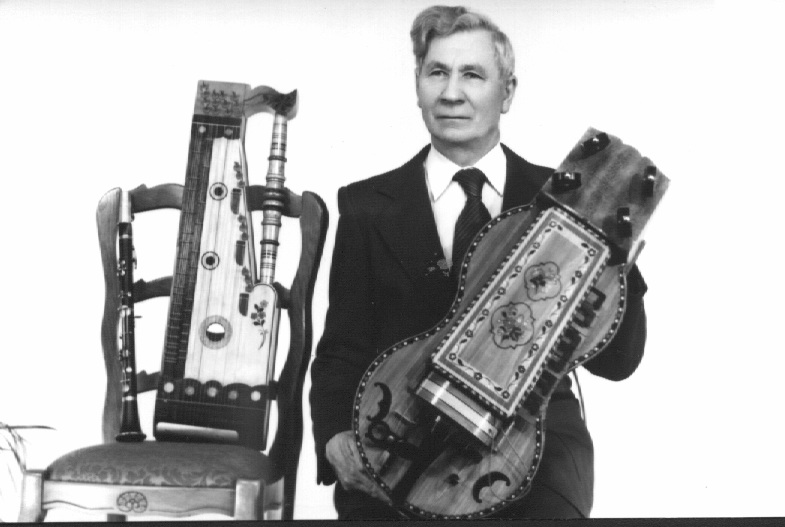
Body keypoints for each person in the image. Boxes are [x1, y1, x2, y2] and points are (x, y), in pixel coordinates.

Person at [309, 5, 648, 520]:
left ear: (506, 92)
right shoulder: (366, 205)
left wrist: (620, 264)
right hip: (402, 437)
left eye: (472, 74)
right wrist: (335, 434)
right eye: (437, 72)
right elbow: (342, 347)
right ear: (417, 84)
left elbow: (617, 363)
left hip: (533, 445)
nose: (451, 93)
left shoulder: (566, 205)